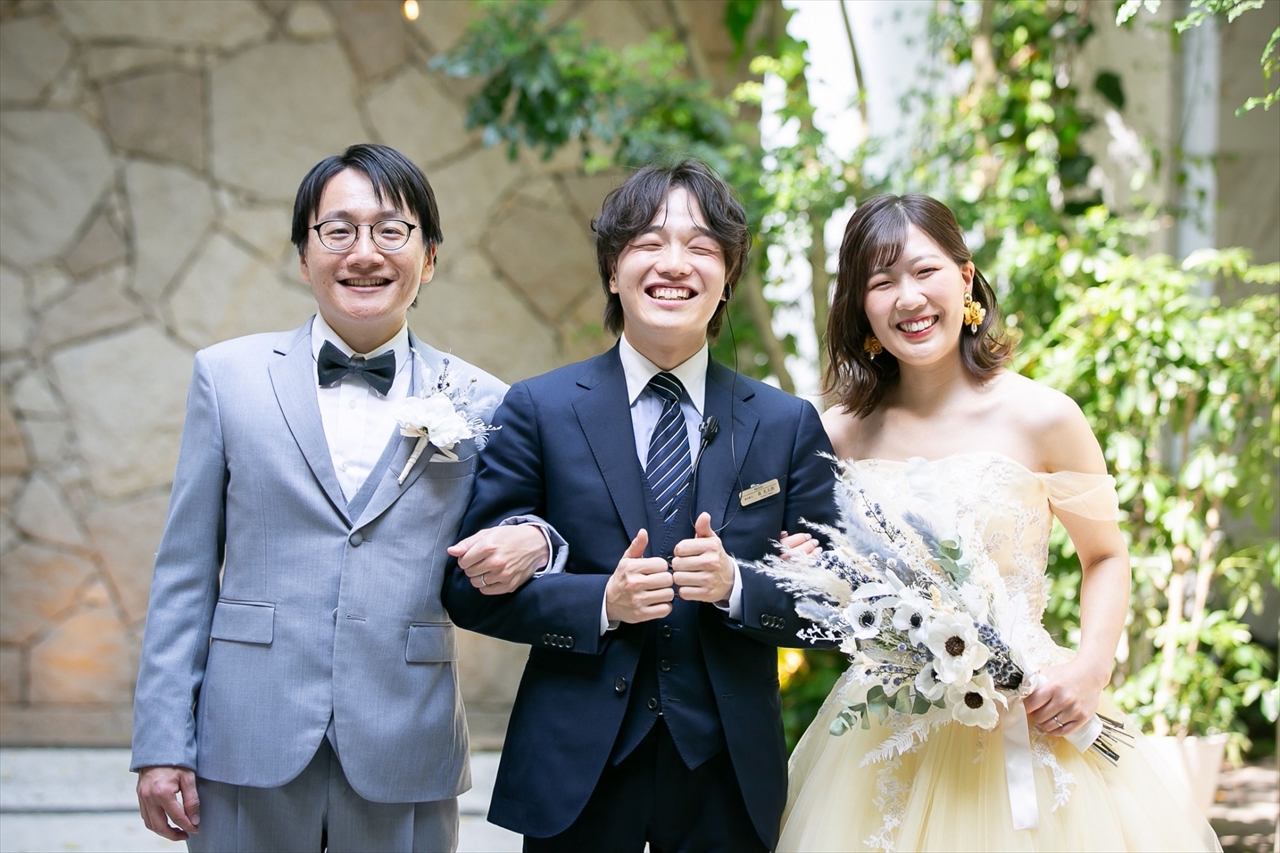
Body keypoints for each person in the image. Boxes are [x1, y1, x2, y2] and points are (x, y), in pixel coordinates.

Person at [130, 143, 549, 852]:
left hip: (406, 736)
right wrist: (163, 740)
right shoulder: (227, 378)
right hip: (247, 734)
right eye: (339, 230)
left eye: (392, 230)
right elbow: (184, 573)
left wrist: (536, 539)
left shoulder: (483, 400)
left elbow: (528, 524)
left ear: (430, 257)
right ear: (304, 255)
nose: (365, 252)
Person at [778, 193, 1222, 851]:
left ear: (964, 278)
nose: (908, 298)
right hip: (881, 733)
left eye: (925, 271)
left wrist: (1090, 670)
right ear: (861, 306)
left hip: (1034, 714)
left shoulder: (1044, 417)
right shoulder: (835, 432)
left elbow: (1105, 556)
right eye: (881, 281)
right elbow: (817, 569)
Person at [441, 159, 839, 852]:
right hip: (576, 769)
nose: (674, 264)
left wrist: (738, 585)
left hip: (726, 772)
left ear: (727, 277)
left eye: (701, 247)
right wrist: (601, 601)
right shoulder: (539, 408)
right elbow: (467, 589)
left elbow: (840, 605)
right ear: (612, 270)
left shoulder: (786, 423)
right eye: (649, 243)